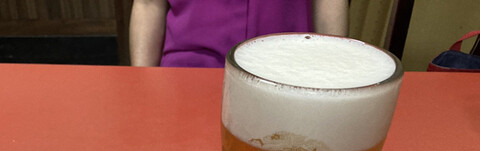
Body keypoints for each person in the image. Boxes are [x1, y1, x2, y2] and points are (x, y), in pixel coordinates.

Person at [129, 0, 349, 67]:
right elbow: (148, 4)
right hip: (187, 69)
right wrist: (142, 81)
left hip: (290, 68)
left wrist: (335, 79)